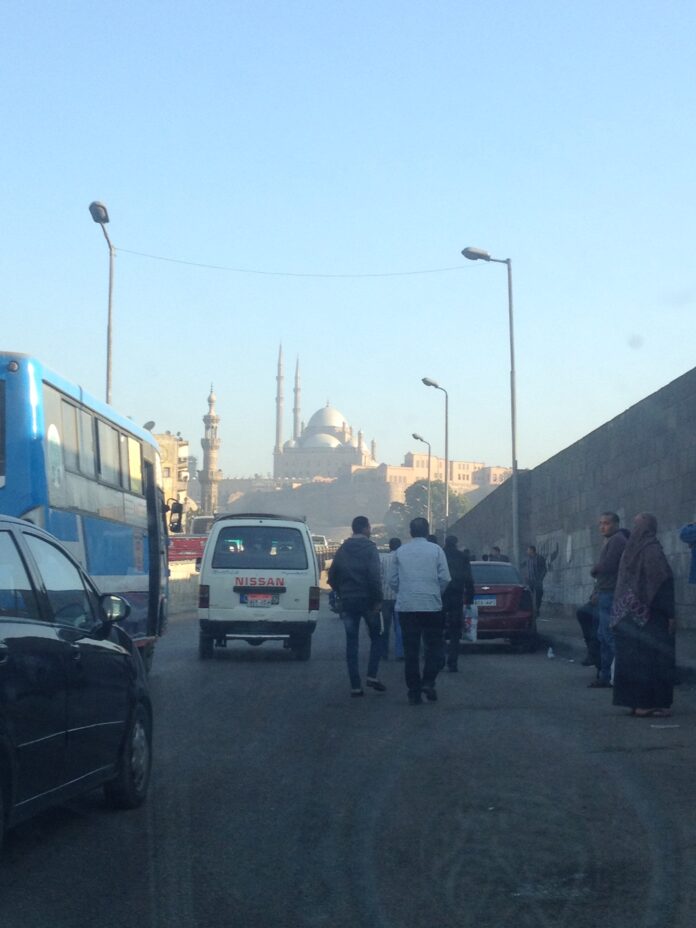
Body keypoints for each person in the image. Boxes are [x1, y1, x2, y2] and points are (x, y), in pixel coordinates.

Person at [611, 513, 675, 717]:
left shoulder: (630, 551)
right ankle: (646, 704)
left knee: (631, 660)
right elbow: (660, 582)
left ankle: (634, 702)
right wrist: (670, 614)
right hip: (650, 617)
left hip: (626, 617)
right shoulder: (651, 549)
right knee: (651, 659)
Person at [388, 517, 451, 704]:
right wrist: (434, 593)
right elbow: (445, 578)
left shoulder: (400, 552)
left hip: (407, 607)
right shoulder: (436, 550)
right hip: (431, 606)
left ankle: (414, 691)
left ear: (410, 532)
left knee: (411, 651)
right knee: (434, 647)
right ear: (426, 531)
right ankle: (429, 681)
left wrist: (405, 591)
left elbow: (392, 580)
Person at [328, 516, 384, 697]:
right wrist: (378, 600)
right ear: (366, 528)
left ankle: (355, 686)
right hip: (368, 601)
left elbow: (332, 576)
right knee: (378, 637)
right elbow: (374, 576)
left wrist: (341, 592)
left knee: (351, 643)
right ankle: (372, 674)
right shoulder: (370, 548)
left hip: (349, 601)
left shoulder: (343, 549)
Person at [588, 511, 628, 689]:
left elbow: (609, 566)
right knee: (603, 636)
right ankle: (606, 674)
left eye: (607, 523)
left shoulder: (617, 540)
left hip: (612, 593)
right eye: (601, 523)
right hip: (605, 592)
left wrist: (595, 569)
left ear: (616, 524)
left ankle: (613, 675)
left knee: (609, 637)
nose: (603, 526)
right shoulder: (611, 541)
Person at [442, 535, 474, 672]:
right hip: (457, 596)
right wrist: (469, 600)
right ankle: (453, 662)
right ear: (456, 543)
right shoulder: (462, 557)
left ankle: (439, 659)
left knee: (437, 629)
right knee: (455, 631)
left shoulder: (439, 554)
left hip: (440, 595)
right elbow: (469, 579)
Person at [379, 537, 401, 659]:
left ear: (390, 547)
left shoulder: (382, 559)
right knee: (400, 627)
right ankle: (400, 652)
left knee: (385, 627)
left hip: (385, 597)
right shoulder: (403, 559)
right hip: (399, 597)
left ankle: (384, 652)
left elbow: (378, 576)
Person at [525, 545, 547, 617]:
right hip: (529, 581)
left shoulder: (539, 558)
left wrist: (540, 579)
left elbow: (544, 569)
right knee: (528, 595)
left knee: (538, 595)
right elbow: (528, 569)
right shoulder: (528, 559)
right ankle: (530, 610)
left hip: (537, 580)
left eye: (528, 550)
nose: (527, 551)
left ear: (532, 550)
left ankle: (537, 609)